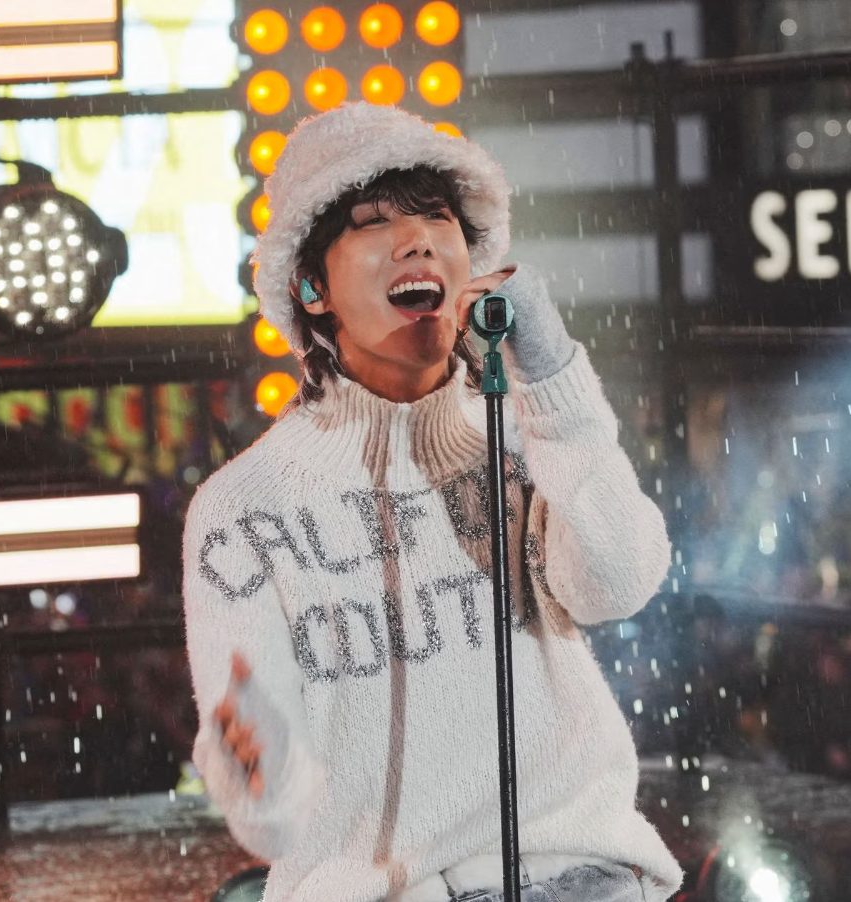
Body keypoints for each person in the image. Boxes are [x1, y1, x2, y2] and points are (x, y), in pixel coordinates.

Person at [182, 102, 682, 902]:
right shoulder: (244, 508)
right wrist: (253, 760)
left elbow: (619, 581)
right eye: (373, 223)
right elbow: (272, 817)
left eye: (436, 217)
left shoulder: (523, 436)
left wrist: (550, 376)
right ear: (312, 287)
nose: (415, 239)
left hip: (572, 874)